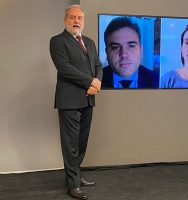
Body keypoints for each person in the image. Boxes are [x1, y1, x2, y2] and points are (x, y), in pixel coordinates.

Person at [49, 5, 102, 200]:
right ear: (65, 20)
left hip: (88, 99)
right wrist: (90, 81)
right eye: (72, 17)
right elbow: (64, 69)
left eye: (79, 17)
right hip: (69, 100)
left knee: (81, 142)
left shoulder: (89, 42)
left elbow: (98, 66)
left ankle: (77, 177)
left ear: (83, 20)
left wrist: (96, 83)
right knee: (70, 144)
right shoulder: (57, 41)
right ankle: (72, 184)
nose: (76, 21)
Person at [102, 17, 159, 89]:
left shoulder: (157, 81)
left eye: (131, 46)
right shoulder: (96, 80)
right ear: (107, 52)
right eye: (115, 47)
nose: (123, 55)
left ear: (141, 50)